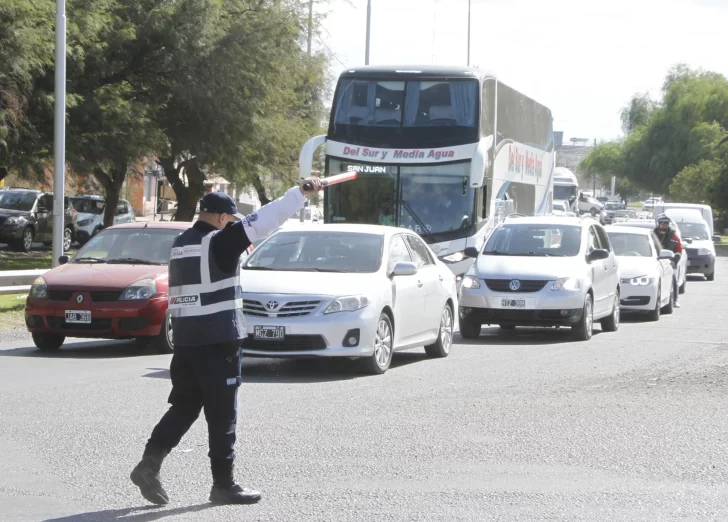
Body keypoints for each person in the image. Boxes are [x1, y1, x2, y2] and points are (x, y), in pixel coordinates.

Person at [130, 177, 323, 506]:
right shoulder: (219, 242)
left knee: (186, 406)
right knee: (223, 416)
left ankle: (149, 464)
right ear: (222, 219)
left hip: (187, 342)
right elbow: (266, 218)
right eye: (231, 222)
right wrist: (300, 194)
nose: (234, 229)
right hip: (218, 341)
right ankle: (224, 485)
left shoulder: (181, 243)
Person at [654, 213, 682, 308]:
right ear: (658, 224)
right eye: (662, 223)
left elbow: (679, 250)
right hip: (655, 260)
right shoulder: (652, 234)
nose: (664, 225)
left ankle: (675, 299)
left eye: (666, 223)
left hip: (668, 262)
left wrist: (674, 260)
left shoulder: (673, 236)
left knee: (673, 278)